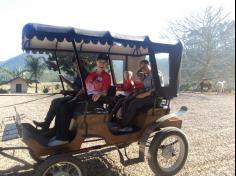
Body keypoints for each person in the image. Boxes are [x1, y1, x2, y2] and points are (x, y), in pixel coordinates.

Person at [48, 53, 111, 146]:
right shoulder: (91, 75)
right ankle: (59, 134)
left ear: (106, 64)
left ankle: (62, 138)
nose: (102, 64)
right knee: (62, 106)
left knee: (65, 108)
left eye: (104, 62)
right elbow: (83, 89)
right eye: (100, 62)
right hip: (85, 98)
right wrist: (75, 97)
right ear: (96, 62)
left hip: (94, 101)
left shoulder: (106, 76)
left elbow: (105, 91)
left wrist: (99, 93)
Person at [33, 57, 88, 131]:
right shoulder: (78, 74)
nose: (76, 65)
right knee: (55, 101)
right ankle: (46, 124)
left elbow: (82, 90)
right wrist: (65, 82)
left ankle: (53, 126)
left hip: (80, 98)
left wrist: (68, 91)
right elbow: (75, 87)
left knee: (58, 104)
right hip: (76, 95)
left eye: (78, 63)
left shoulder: (84, 74)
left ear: (82, 64)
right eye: (75, 63)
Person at [117, 60, 155, 132]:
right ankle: (121, 121)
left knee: (133, 104)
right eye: (141, 68)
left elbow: (157, 89)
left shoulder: (156, 75)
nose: (143, 69)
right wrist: (138, 91)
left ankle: (126, 126)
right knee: (126, 100)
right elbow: (145, 87)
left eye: (144, 66)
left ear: (149, 64)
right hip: (146, 95)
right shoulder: (146, 76)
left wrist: (144, 94)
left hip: (153, 97)